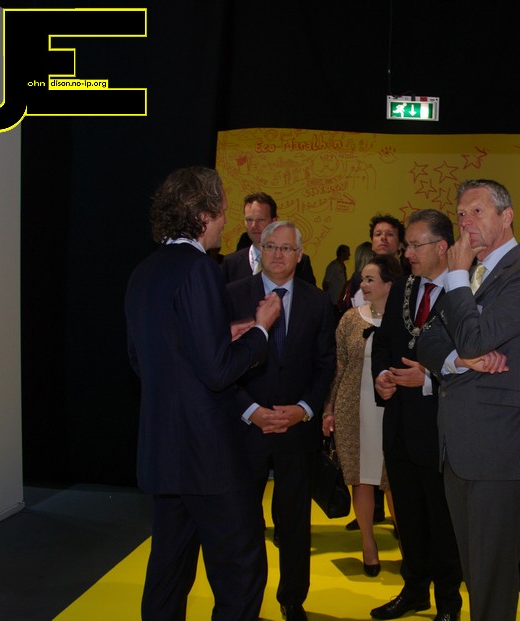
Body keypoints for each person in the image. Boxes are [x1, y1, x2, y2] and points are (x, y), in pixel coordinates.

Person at [125, 166, 281, 621]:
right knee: (241, 573)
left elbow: (144, 359)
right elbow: (217, 372)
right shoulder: (200, 270)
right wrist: (261, 330)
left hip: (163, 452)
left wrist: (220, 336)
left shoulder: (144, 272)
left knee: (168, 574)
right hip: (207, 457)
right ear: (202, 215)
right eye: (223, 212)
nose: (226, 222)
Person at [416, 179, 520, 621]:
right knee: (475, 573)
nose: (465, 222)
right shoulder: (469, 276)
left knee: (492, 578)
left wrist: (456, 278)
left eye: (476, 211)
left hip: (500, 446)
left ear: (506, 216)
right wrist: (460, 360)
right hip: (458, 444)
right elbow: (428, 341)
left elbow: (476, 336)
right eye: (460, 214)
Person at [226, 221, 336, 621]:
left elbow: (325, 364)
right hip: (246, 428)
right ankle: (243, 602)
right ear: (261, 249)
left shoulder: (317, 302)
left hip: (296, 430)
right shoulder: (232, 295)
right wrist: (251, 411)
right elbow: (219, 362)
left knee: (294, 523)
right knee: (242, 523)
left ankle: (293, 600)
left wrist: (304, 409)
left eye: (286, 248)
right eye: (271, 246)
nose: (277, 254)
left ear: (300, 255)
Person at [370, 210, 463, 621]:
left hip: (442, 430)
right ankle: (414, 590)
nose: (407, 253)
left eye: (414, 245)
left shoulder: (464, 292)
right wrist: (381, 377)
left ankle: (448, 601)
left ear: (442, 247)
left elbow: (472, 360)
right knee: (407, 516)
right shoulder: (404, 289)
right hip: (400, 426)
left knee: (442, 519)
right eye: (406, 245)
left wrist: (427, 378)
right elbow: (384, 344)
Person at [323, 254, 404, 576]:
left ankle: (409, 549)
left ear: (389, 284)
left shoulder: (405, 320)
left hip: (394, 411)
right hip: (353, 410)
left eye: (370, 279)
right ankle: (368, 546)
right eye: (362, 279)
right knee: (361, 478)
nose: (363, 285)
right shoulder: (350, 319)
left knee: (395, 482)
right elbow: (338, 367)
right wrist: (329, 408)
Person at [222, 191, 315, 285]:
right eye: (249, 220)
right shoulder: (230, 263)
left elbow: (309, 293)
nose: (254, 226)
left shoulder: (299, 261)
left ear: (274, 221)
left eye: (261, 220)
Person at [349, 214, 407, 308]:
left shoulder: (409, 277)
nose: (383, 238)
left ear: (400, 244)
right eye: (378, 234)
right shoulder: (358, 278)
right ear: (372, 243)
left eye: (390, 234)